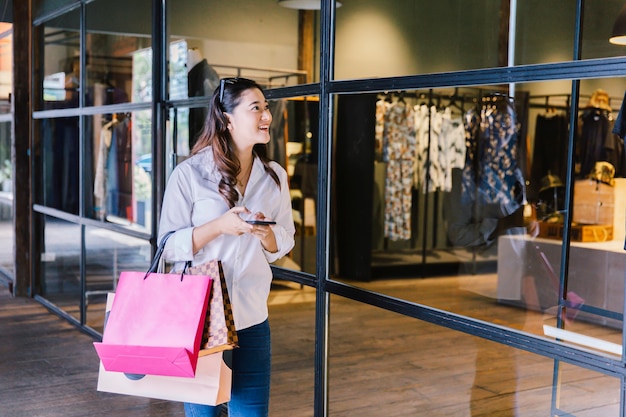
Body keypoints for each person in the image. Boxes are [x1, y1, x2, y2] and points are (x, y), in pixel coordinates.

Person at [157, 77, 296, 417]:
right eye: (256, 108)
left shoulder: (274, 175)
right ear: (226, 117)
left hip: (252, 317)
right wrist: (220, 226)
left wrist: (265, 234)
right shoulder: (189, 174)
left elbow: (286, 239)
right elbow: (167, 247)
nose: (267, 115)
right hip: (202, 318)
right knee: (203, 413)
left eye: (266, 108)